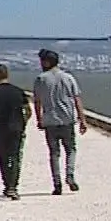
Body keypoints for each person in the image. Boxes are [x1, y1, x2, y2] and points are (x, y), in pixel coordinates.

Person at [32, 49, 86, 195]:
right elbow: (77, 99)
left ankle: (57, 183)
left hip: (50, 121)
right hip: (67, 119)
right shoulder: (68, 78)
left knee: (54, 153)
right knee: (71, 150)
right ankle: (70, 175)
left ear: (47, 62)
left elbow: (37, 102)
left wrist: (39, 119)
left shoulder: (41, 79)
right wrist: (82, 120)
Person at [0, 64, 30, 199]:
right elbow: (28, 111)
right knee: (15, 156)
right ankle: (13, 186)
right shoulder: (18, 91)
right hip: (17, 128)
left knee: (2, 157)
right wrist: (23, 122)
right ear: (7, 74)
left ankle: (7, 184)